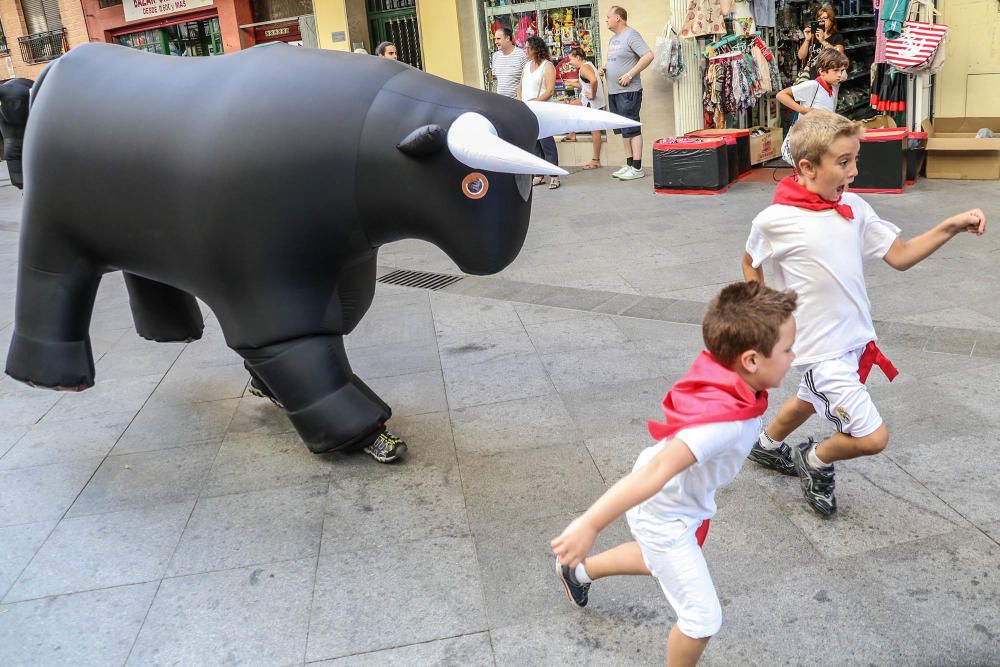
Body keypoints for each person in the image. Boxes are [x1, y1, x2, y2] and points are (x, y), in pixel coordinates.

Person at [741, 110, 987, 516]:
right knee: (873, 437)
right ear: (806, 166)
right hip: (818, 350)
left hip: (853, 340)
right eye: (843, 162)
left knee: (807, 401)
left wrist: (950, 226)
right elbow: (750, 261)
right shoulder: (774, 220)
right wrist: (767, 307)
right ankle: (815, 458)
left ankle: (765, 446)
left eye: (855, 159)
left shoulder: (854, 208)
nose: (854, 171)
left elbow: (901, 255)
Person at [552, 281, 799, 667]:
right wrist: (590, 523)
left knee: (658, 561)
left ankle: (577, 573)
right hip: (663, 509)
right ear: (750, 360)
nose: (793, 356)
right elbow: (653, 474)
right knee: (702, 619)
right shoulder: (720, 425)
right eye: (787, 350)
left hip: (679, 499)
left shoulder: (733, 376)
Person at [600, 6, 653, 181]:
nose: (606, 19)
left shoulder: (632, 35)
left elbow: (648, 56)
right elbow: (616, 61)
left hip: (629, 91)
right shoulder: (613, 39)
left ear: (619, 18)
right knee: (624, 128)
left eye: (609, 17)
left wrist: (630, 74)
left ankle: (637, 167)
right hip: (615, 91)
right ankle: (629, 164)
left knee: (632, 127)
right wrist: (605, 69)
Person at [776, 48, 848, 166]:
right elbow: (781, 95)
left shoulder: (833, 88)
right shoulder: (813, 86)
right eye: (836, 71)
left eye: (842, 70)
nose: (840, 74)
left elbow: (845, 73)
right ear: (822, 71)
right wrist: (802, 110)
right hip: (807, 143)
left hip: (820, 142)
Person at [517, 35, 560, 190]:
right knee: (534, 144)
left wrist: (535, 103)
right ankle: (539, 174)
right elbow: (520, 87)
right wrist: (521, 102)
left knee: (546, 142)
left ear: (535, 49)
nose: (525, 51)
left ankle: (554, 175)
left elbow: (549, 90)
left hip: (541, 110)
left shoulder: (547, 66)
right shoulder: (526, 66)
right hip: (528, 110)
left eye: (527, 48)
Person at [566, 47, 606, 170]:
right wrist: (572, 84)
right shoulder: (587, 66)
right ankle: (572, 134)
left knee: (595, 130)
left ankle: (596, 160)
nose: (570, 63)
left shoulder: (584, 68)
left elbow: (593, 81)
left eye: (571, 59)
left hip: (592, 102)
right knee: (571, 107)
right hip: (588, 100)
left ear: (578, 57)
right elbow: (586, 83)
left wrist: (592, 95)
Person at [796, 4, 845, 83]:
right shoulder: (813, 36)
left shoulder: (837, 37)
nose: (822, 20)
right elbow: (801, 56)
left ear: (831, 21)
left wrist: (822, 41)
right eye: (819, 18)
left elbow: (840, 55)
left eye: (825, 18)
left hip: (826, 76)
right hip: (811, 74)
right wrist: (807, 40)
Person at [491, 27, 528, 99]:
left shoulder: (522, 54)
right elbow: (496, 80)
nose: (495, 42)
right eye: (495, 39)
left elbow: (529, 78)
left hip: (518, 101)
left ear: (507, 38)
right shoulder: (495, 56)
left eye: (498, 39)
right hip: (501, 101)